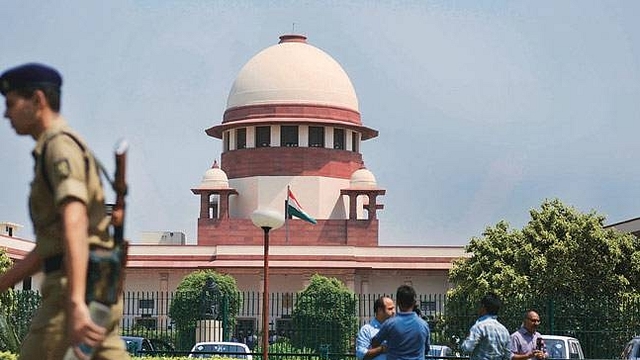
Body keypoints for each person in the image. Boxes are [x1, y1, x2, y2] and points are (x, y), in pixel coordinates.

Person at [0, 63, 129, 359]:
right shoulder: (58, 147)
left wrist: (74, 303)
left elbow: (75, 220)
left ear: (37, 100)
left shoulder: (58, 148)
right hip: (93, 289)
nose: (5, 114)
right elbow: (50, 245)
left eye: (10, 104)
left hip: (69, 293)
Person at [371, 285, 430, 360]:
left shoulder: (389, 324)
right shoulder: (424, 325)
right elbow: (426, 349)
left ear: (398, 302)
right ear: (414, 302)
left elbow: (374, 343)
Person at [460, 293, 511, 360]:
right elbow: (508, 355)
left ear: (483, 307)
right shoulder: (504, 330)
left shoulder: (478, 327)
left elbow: (467, 348)